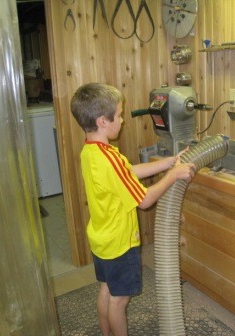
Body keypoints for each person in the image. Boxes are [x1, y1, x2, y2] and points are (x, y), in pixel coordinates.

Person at [70, 83, 196, 336]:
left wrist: (168, 163)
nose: (123, 120)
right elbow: (145, 200)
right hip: (120, 244)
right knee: (120, 301)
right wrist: (173, 176)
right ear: (103, 121)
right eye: (119, 115)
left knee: (107, 290)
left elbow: (127, 173)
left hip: (101, 239)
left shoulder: (91, 152)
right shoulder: (110, 158)